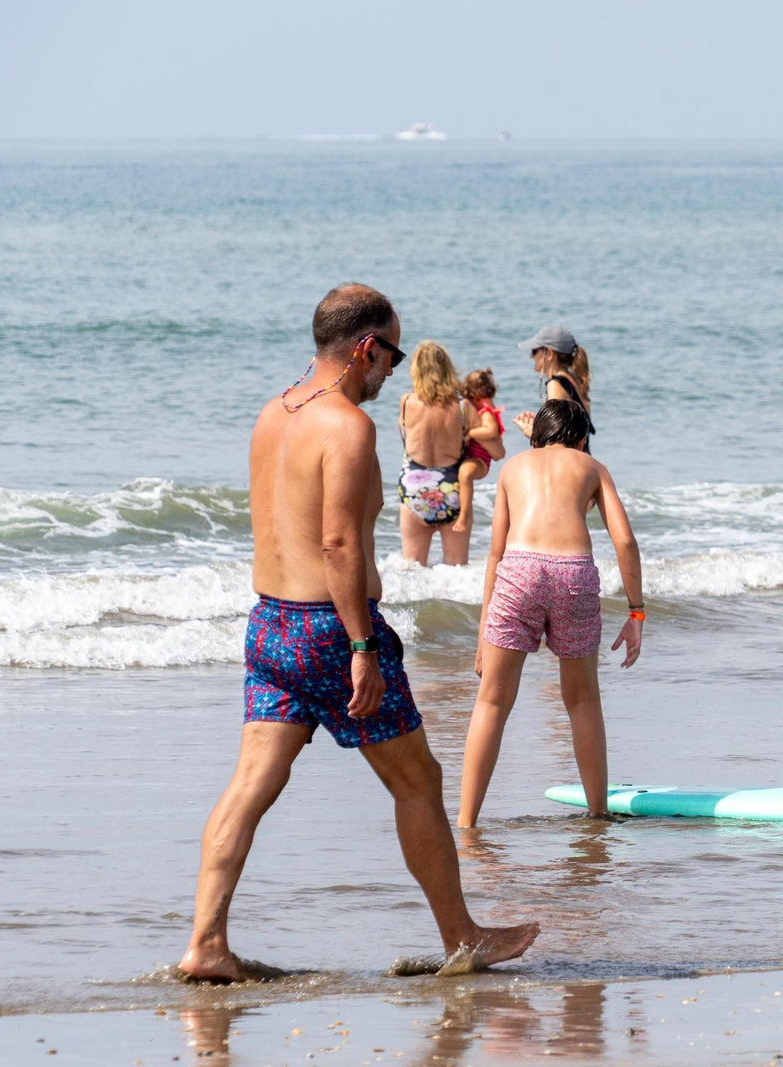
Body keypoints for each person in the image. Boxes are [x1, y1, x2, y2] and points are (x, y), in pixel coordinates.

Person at [177, 284, 538, 982]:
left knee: (250, 784)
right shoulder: (347, 427)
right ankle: (464, 937)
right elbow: (340, 545)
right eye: (391, 356)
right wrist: (364, 648)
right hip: (331, 630)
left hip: (270, 625)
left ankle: (206, 942)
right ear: (365, 348)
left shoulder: (271, 414)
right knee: (419, 781)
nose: (392, 373)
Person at [458, 399, 644, 828]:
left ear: (537, 436)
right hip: (573, 573)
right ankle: (598, 813)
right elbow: (627, 543)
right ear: (581, 439)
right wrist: (636, 613)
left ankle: (466, 823)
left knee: (492, 701)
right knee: (582, 700)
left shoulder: (511, 469)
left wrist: (484, 630)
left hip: (518, 570)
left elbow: (495, 553)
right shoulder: (591, 467)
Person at [396, 340, 488, 566]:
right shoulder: (463, 406)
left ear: (416, 370)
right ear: (447, 368)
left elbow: (404, 439)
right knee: (457, 569)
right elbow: (487, 442)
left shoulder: (407, 401)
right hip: (452, 489)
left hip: (414, 489)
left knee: (413, 570)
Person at [512, 325, 595, 452]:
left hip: (569, 462)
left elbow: (556, 441)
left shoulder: (556, 384)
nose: (531, 357)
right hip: (582, 457)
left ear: (549, 354)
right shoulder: (573, 380)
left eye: (534, 351)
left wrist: (531, 432)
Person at [456, 367, 506, 537]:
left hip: (480, 459)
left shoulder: (485, 413)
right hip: (473, 456)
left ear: (476, 397)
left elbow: (491, 432)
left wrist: (469, 433)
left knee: (465, 474)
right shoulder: (483, 411)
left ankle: (463, 516)